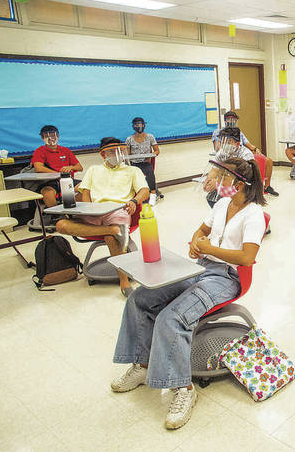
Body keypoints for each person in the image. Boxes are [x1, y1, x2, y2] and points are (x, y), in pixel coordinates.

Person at [111, 157, 266, 430]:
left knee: (172, 317)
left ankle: (183, 389)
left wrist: (208, 249)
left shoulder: (254, 214)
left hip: (228, 277)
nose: (217, 182)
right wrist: (196, 242)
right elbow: (202, 230)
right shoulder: (221, 204)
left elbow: (246, 256)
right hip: (202, 267)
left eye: (222, 178)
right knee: (140, 298)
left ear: (239, 184)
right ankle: (143, 365)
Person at [55, 138, 149, 297]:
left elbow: (144, 190)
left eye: (120, 150)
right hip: (95, 211)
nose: (117, 154)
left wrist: (134, 201)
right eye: (112, 152)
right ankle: (112, 230)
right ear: (103, 154)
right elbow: (85, 191)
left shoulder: (133, 171)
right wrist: (87, 209)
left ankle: (124, 282)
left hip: (119, 210)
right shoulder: (93, 170)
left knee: (110, 238)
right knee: (61, 225)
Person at [212, 111, 278, 196]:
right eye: (230, 119)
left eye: (234, 119)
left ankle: (267, 186)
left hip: (240, 152)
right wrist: (227, 147)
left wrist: (256, 149)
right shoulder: (218, 132)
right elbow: (217, 148)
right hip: (228, 155)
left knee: (267, 160)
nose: (232, 121)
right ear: (225, 121)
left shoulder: (239, 132)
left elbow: (249, 145)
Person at [31, 125, 83, 208]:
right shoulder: (40, 151)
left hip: (68, 180)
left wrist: (71, 167)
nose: (50, 138)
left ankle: (73, 210)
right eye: (46, 136)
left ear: (57, 136)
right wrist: (57, 174)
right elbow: (38, 168)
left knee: (86, 187)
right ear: (42, 137)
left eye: (52, 135)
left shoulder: (66, 150)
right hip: (50, 182)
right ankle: (56, 216)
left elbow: (80, 167)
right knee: (48, 193)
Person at [204, 127, 255, 209]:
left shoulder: (246, 155)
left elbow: (244, 178)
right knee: (211, 199)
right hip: (228, 183)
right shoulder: (222, 153)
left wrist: (217, 182)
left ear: (237, 144)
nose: (225, 144)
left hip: (242, 185)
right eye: (223, 141)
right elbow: (214, 169)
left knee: (227, 203)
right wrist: (209, 181)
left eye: (228, 142)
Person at [125, 117, 161, 206]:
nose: (139, 126)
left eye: (140, 124)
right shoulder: (129, 139)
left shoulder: (150, 137)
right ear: (133, 126)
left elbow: (157, 151)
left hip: (146, 162)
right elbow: (127, 155)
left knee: (150, 174)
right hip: (134, 163)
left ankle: (153, 194)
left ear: (144, 125)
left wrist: (150, 156)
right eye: (136, 124)